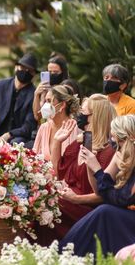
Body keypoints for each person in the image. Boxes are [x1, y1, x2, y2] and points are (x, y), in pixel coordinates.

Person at [62, 115, 135, 256]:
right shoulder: (119, 153)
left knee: (104, 212)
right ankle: (67, 254)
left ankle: (67, 255)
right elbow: (100, 190)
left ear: (129, 138)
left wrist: (97, 170)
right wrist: (91, 166)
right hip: (121, 213)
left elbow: (121, 199)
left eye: (115, 138)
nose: (112, 142)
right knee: (103, 212)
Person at [47, 94, 116, 240]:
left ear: (95, 118)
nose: (79, 117)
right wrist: (57, 141)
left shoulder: (108, 152)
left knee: (48, 207)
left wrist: (76, 199)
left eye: (83, 114)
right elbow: (57, 172)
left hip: (87, 209)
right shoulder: (80, 143)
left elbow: (104, 195)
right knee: (41, 202)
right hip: (69, 201)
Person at [33, 85, 81, 161]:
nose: (45, 105)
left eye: (49, 101)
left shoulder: (74, 129)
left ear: (62, 105)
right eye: (45, 101)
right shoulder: (44, 128)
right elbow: (34, 158)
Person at [32, 54, 69, 122]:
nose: (52, 74)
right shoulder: (45, 88)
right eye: (49, 72)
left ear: (63, 72)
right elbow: (37, 116)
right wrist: (36, 95)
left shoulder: (67, 88)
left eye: (55, 72)